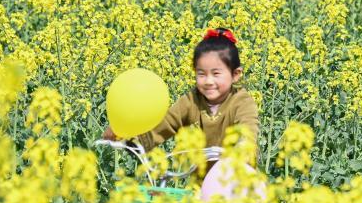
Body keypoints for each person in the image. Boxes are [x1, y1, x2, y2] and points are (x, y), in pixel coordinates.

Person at [103, 27, 260, 164]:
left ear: (235, 74)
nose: (208, 81)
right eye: (201, 74)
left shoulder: (242, 102)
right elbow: (164, 126)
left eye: (216, 73)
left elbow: (248, 130)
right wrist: (128, 140)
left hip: (236, 183)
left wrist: (243, 150)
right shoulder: (192, 101)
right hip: (199, 186)